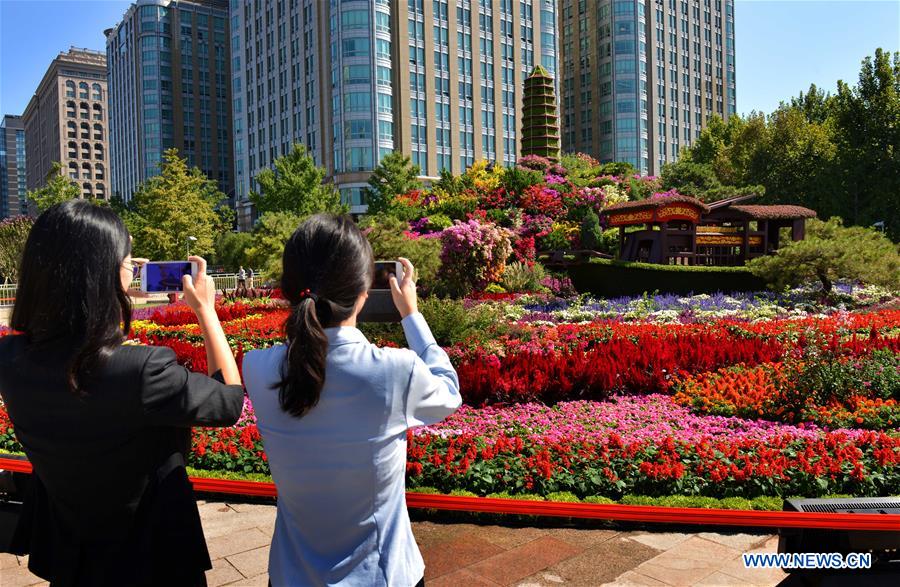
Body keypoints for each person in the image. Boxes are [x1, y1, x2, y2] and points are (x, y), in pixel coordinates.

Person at [0, 200, 245, 586]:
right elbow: (229, 402)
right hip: (152, 563)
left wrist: (117, 278)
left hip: (72, 559)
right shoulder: (142, 371)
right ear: (104, 276)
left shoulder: (10, 358)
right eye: (127, 260)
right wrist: (207, 312)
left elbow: (78, 345)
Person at [243, 214, 461, 587]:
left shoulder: (257, 367)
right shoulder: (395, 371)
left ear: (287, 287)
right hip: (382, 575)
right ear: (365, 289)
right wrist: (411, 314)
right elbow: (448, 393)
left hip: (291, 575)